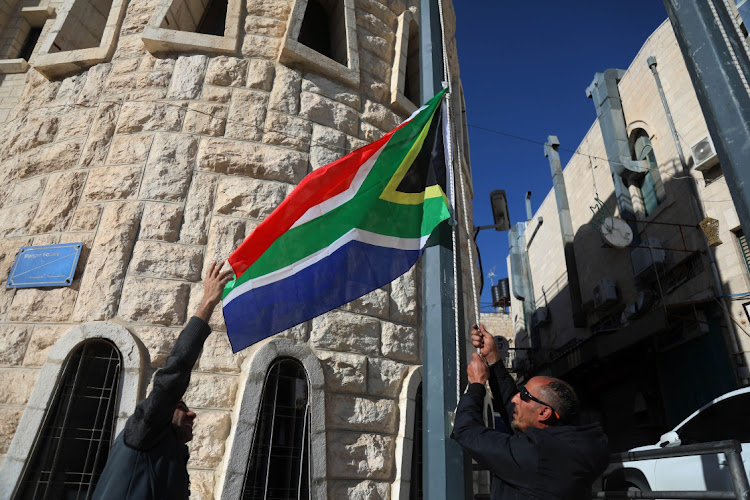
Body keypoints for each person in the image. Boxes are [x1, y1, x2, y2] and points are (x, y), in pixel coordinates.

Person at [93, 262, 233, 500]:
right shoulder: (144, 431)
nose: (192, 416)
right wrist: (208, 303)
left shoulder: (167, 452)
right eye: (180, 408)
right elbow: (173, 376)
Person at [452, 324, 610, 500]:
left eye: (524, 395)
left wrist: (476, 385)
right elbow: (515, 408)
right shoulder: (565, 446)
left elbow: (467, 432)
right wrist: (494, 359)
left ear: (544, 413)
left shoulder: (537, 456)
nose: (515, 399)